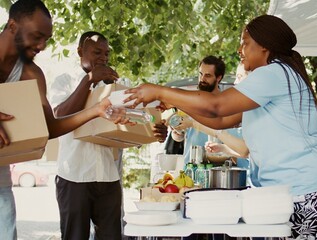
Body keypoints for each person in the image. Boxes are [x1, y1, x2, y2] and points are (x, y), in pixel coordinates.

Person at [124, 15, 317, 239]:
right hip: (292, 190)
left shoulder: (273, 73)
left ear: (264, 45)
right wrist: (177, 102)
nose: (240, 49)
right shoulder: (277, 75)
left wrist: (159, 91)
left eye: (245, 42)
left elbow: (217, 106)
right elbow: (221, 120)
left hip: (306, 188)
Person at [0, 1, 111, 239]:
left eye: (47, 39)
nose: (42, 46)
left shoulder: (31, 74)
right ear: (12, 26)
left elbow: (49, 127)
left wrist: (96, 110)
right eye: (37, 36)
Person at [49, 31, 168, 240]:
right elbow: (59, 116)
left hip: (108, 175)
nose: (103, 58)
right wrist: (89, 81)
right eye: (97, 52)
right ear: (80, 52)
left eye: (106, 53)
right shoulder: (65, 81)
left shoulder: (115, 87)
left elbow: (136, 123)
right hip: (74, 175)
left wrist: (154, 131)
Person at [170, 55, 225, 166]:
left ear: (218, 77)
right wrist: (177, 132)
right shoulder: (190, 101)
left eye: (208, 75)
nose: (202, 79)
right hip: (191, 168)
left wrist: (192, 123)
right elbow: (178, 137)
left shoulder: (225, 104)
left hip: (217, 169)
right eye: (200, 74)